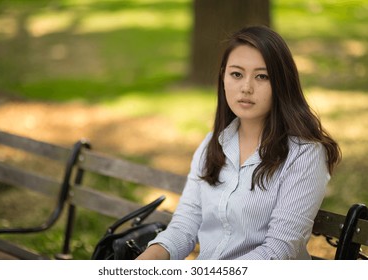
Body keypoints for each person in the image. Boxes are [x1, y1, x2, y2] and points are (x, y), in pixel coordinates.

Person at [137, 25, 341, 260]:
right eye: (236, 74)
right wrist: (146, 260)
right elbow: (185, 225)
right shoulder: (213, 144)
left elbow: (278, 251)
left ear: (282, 84)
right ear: (223, 77)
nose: (246, 87)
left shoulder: (304, 154)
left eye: (262, 76)